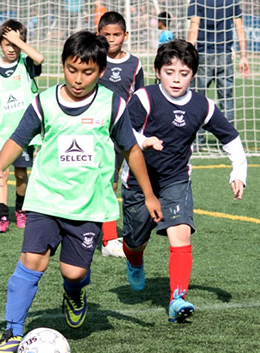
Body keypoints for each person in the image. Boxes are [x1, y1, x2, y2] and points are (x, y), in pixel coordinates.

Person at [0, 31, 162, 353]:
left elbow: (132, 150)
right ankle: (12, 331)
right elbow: (18, 138)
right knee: (32, 261)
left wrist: (149, 194)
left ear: (101, 71)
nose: (78, 79)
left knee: (74, 271)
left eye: (88, 72)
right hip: (44, 199)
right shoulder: (44, 102)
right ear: (63, 65)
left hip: (88, 204)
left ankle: (75, 291)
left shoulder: (112, 104)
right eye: (72, 69)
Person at [121, 39, 247, 323]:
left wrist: (238, 173)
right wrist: (144, 141)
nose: (176, 79)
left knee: (181, 233)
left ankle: (177, 298)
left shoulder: (203, 105)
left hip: (176, 180)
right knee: (135, 239)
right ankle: (134, 256)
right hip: (139, 183)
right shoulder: (144, 97)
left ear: (193, 74)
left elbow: (231, 137)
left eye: (183, 73)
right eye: (169, 72)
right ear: (157, 71)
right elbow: (121, 132)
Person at [0, 19, 44, 233]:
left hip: (24, 131)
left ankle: (21, 210)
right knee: (1, 172)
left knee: (22, 174)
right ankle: (2, 215)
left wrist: (18, 41)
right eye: (8, 43)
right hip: (0, 131)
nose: (12, 48)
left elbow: (39, 57)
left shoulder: (27, 63)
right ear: (0, 43)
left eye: (16, 44)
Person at [96, 11, 145, 258]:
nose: (112, 39)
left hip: (123, 131)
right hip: (97, 130)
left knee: (120, 182)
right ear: (98, 35)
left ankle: (109, 234)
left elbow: (142, 98)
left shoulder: (135, 64)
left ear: (125, 35)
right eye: (107, 35)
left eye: (117, 35)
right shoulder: (94, 59)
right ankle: (107, 239)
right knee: (106, 182)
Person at [187, 0, 250, 147]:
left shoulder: (198, 1)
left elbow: (194, 28)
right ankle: (229, 142)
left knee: (197, 100)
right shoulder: (230, 1)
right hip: (225, 56)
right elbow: (239, 28)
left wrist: (188, 55)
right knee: (227, 100)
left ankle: (197, 142)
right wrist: (243, 56)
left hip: (203, 55)